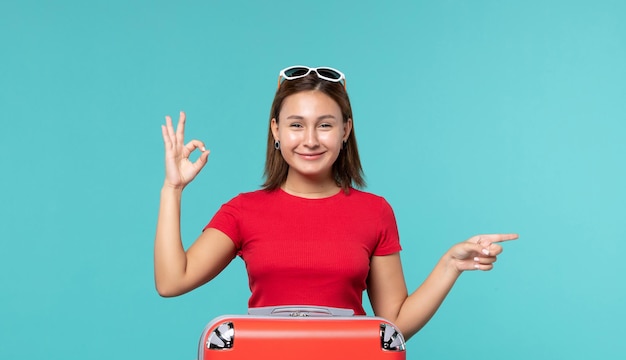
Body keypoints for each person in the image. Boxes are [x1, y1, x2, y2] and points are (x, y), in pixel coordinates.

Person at [154, 65, 518, 341]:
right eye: (296, 125)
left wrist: (449, 266)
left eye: (324, 125)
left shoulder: (374, 211)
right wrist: (172, 190)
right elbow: (172, 281)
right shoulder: (243, 210)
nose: (310, 140)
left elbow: (394, 324)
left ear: (345, 130)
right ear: (276, 130)